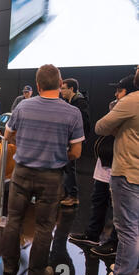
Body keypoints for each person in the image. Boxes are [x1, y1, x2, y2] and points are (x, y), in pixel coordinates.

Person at [1, 64, 84, 275]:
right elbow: (76, 151)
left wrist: (24, 146)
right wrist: (56, 155)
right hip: (52, 177)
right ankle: (36, 273)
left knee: (13, 220)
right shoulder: (72, 113)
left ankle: (9, 267)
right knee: (45, 226)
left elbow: (8, 135)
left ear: (37, 85)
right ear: (59, 83)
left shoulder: (22, 107)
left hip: (21, 173)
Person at [69, 74, 137, 257]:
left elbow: (101, 126)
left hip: (123, 165)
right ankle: (92, 234)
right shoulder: (117, 106)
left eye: (119, 90)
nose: (116, 94)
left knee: (121, 211)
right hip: (106, 162)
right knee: (98, 199)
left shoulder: (129, 105)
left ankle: (114, 244)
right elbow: (103, 127)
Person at [88, 66, 139, 275]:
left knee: (127, 229)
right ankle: (131, 272)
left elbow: (100, 126)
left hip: (128, 172)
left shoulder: (131, 101)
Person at [60, 78, 91, 206]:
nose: (61, 91)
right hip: (70, 140)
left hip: (72, 142)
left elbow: (83, 125)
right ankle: (68, 193)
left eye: (63, 88)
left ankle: (72, 196)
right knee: (67, 167)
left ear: (71, 89)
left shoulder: (80, 104)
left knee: (69, 168)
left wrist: (74, 140)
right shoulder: (72, 102)